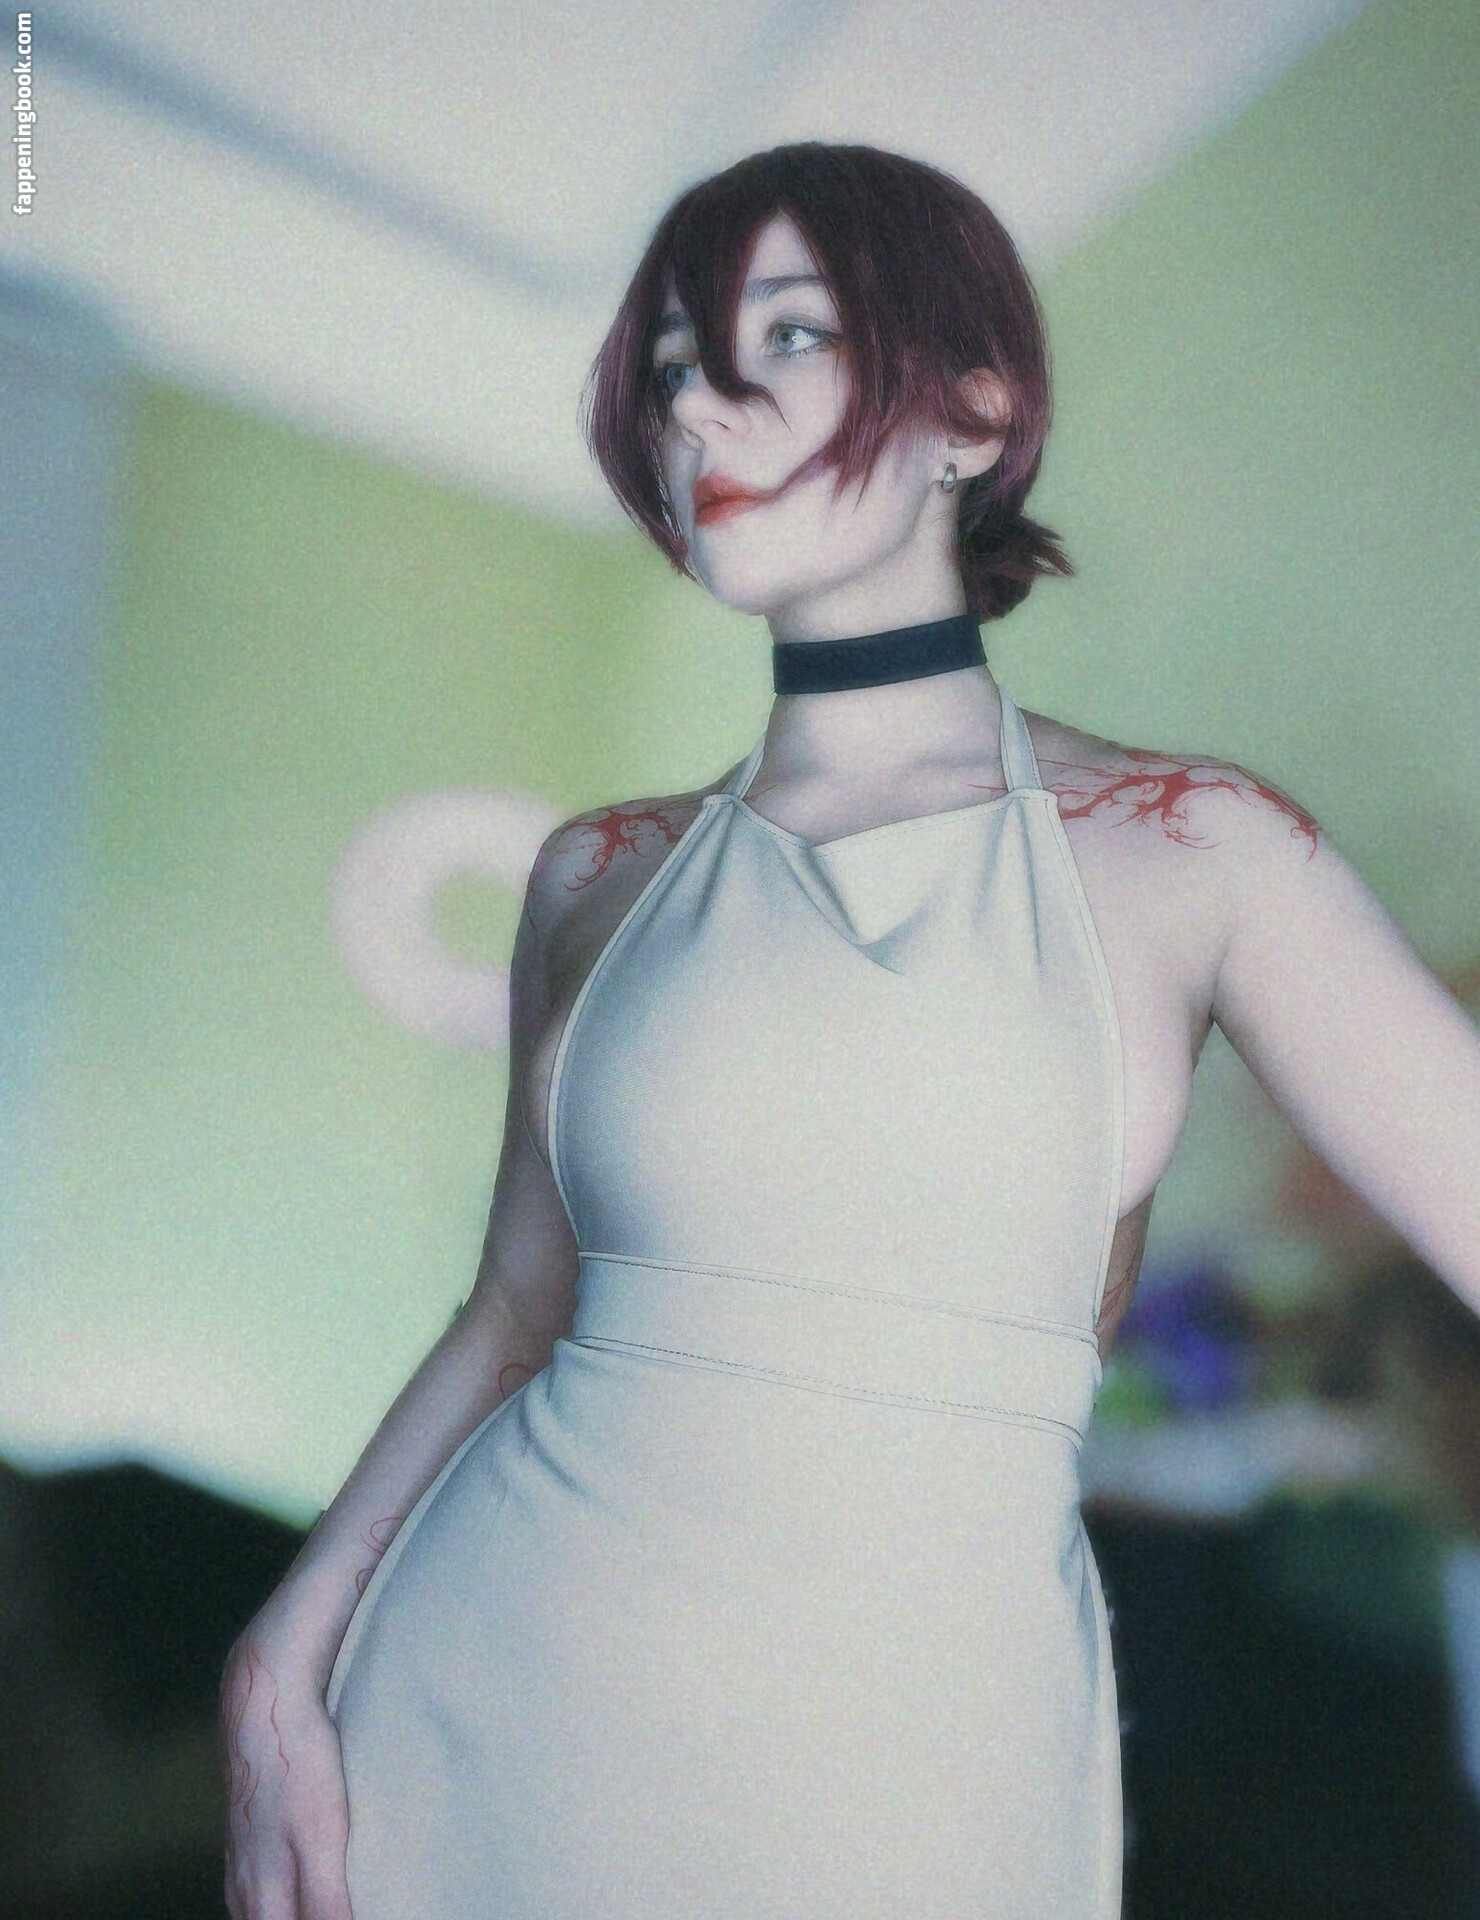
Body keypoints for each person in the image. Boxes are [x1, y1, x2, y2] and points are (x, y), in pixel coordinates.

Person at [219, 142, 1480, 1919]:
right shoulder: (596, 873)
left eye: (788, 337)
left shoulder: (1199, 849)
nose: (700, 408)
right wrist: (280, 1652)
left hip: (919, 1769)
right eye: (673, 366)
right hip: (481, 1701)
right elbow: (515, 1307)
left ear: (973, 409)